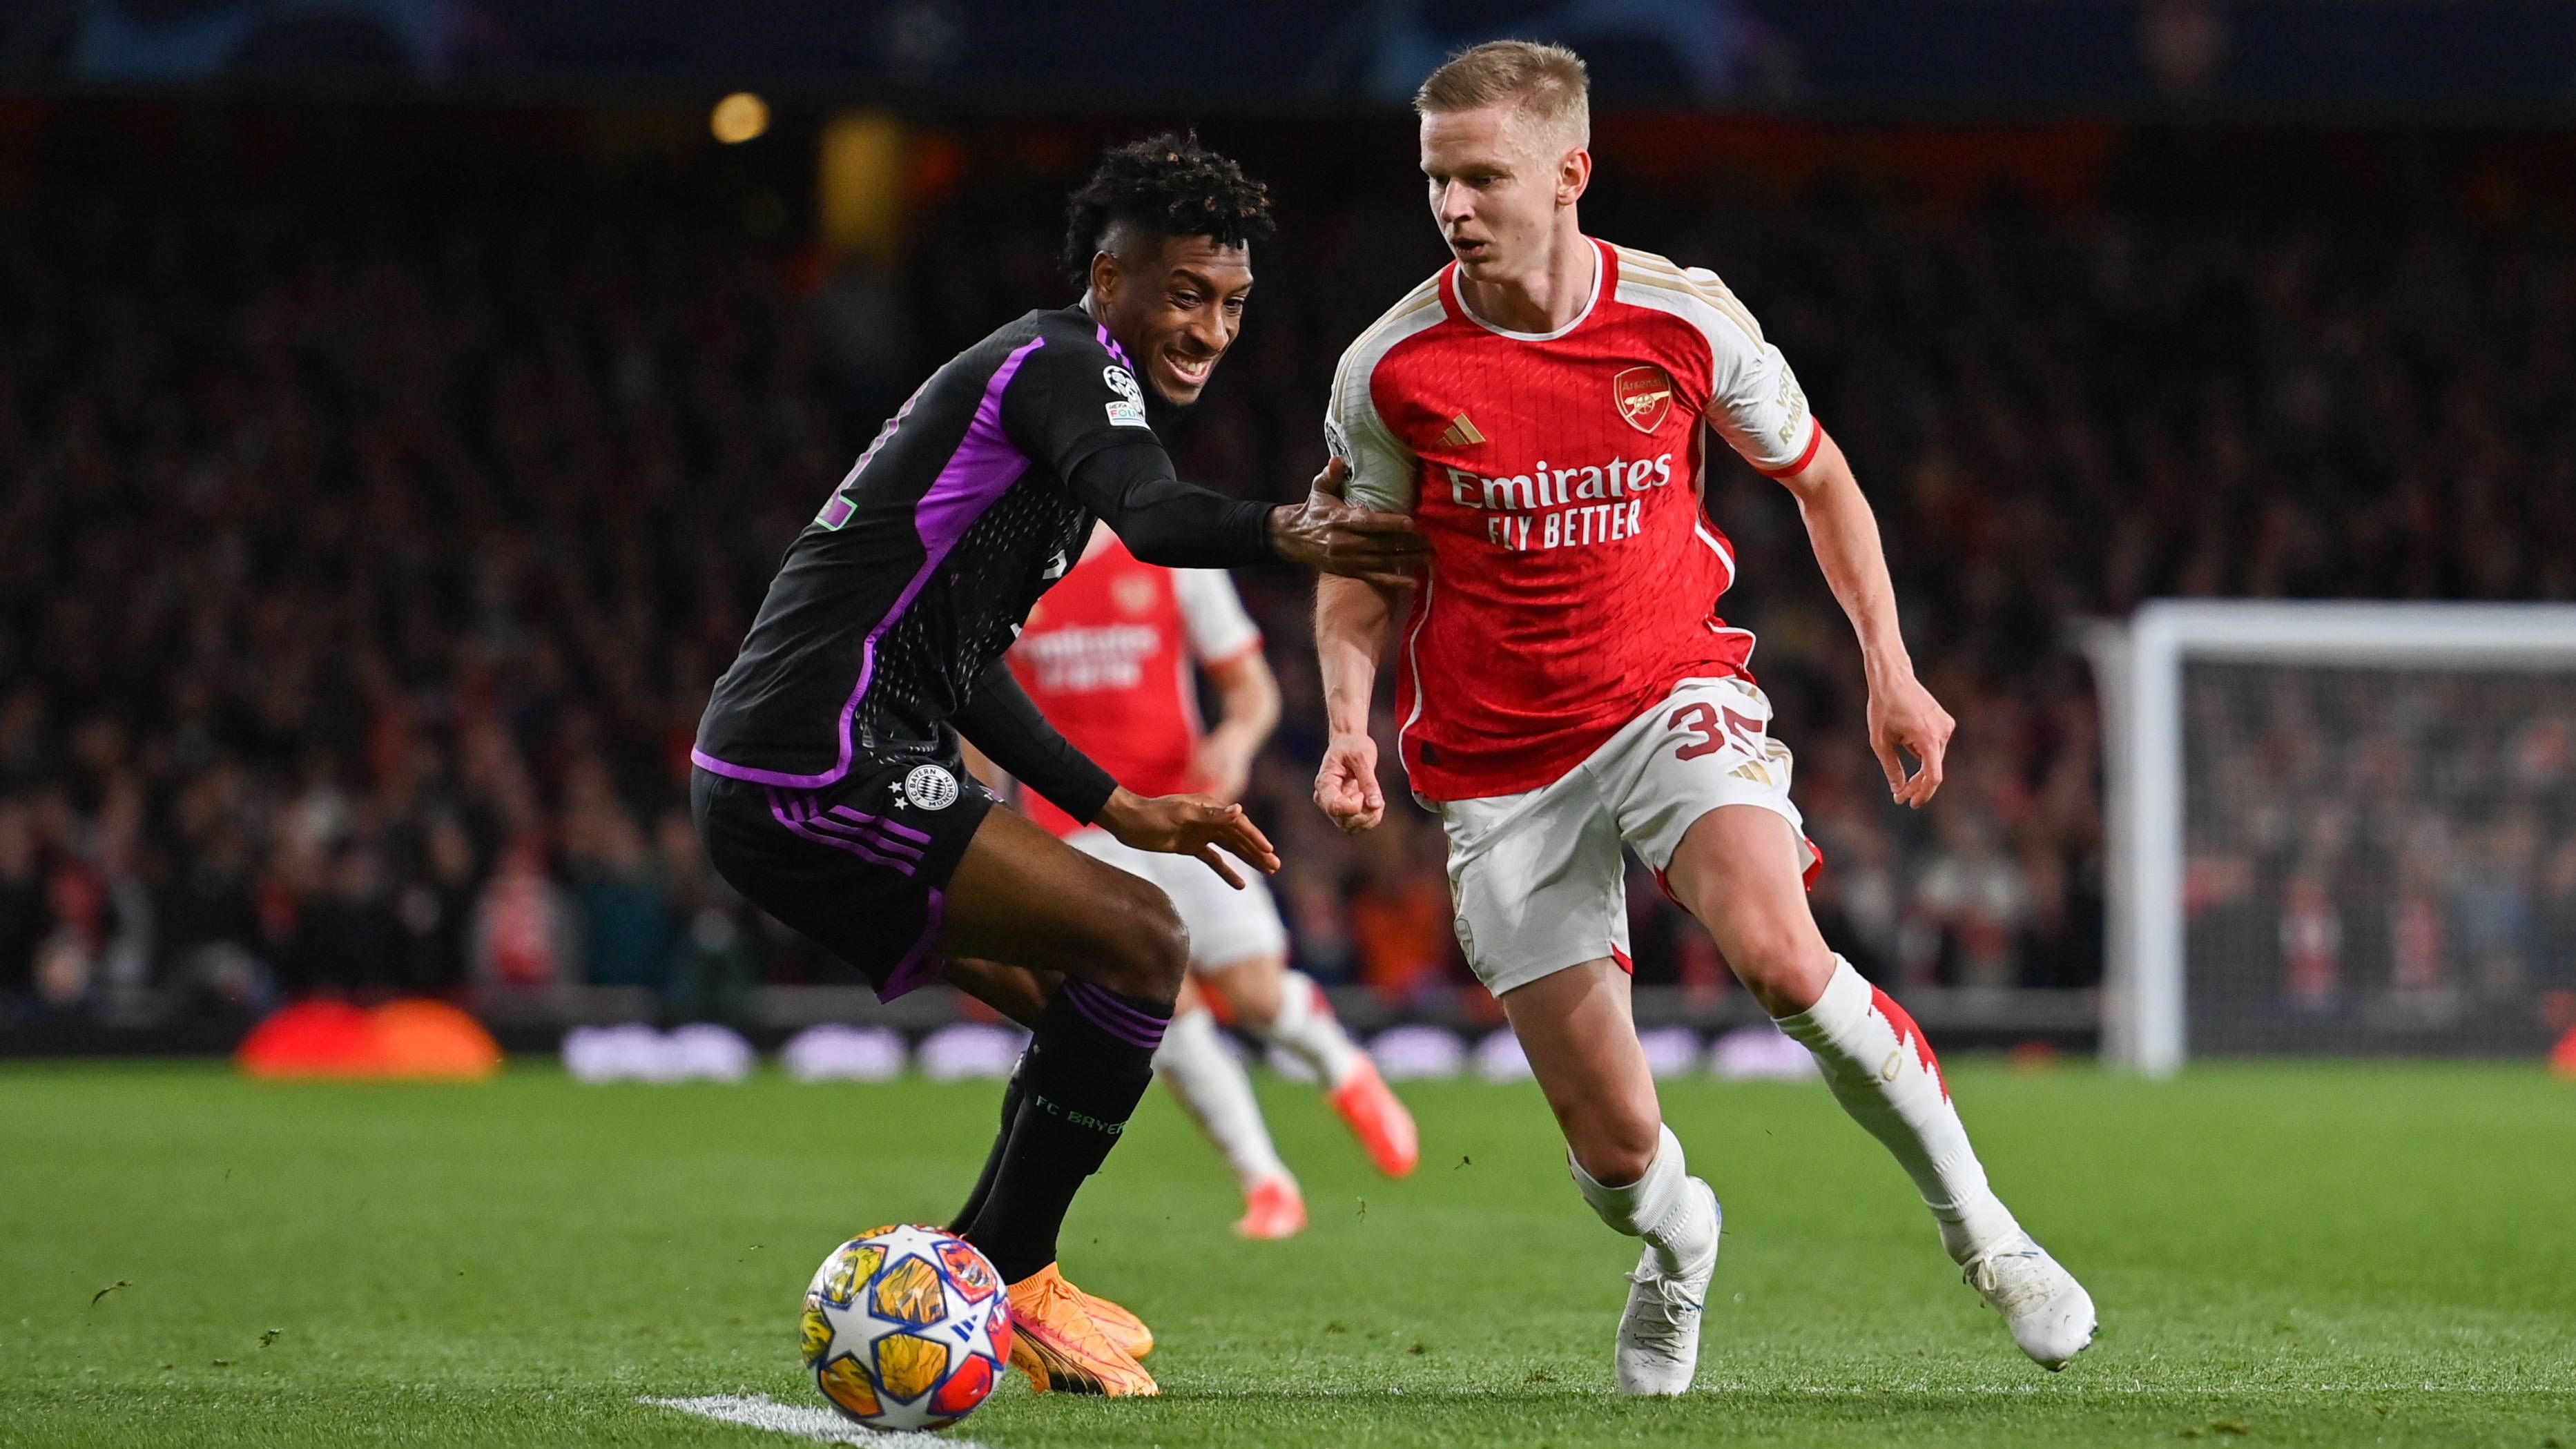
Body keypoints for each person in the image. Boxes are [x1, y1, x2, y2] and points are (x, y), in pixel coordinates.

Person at [1311, 42, 2095, 1395]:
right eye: (1436, 177)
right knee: (1613, 1151)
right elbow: (1355, 569)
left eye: (1480, 176)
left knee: (1784, 960)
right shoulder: (1390, 367)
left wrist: (1889, 669)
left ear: (1570, 172)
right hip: (1499, 766)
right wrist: (1343, 722)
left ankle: (1987, 1232)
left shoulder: (1680, 318)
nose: (1451, 205)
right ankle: (1676, 1243)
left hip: (1669, 691)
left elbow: (1822, 478)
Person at [693, 133, 1423, 1399]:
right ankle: (1012, 1270)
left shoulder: (1051, 395)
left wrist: (1114, 801)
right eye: (1184, 293)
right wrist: (1295, 529)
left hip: (828, 751)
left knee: (1082, 1000)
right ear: (1108, 282)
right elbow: (1154, 511)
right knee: (1144, 944)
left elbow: (963, 657)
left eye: (1233, 302)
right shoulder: (1064, 365)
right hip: (816, 757)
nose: (1208, 328)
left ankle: (976, 1280)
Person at [1001, 521, 1420, 1240]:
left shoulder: (1165, 552)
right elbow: (984, 720)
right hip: (1073, 830)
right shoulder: (1009, 563)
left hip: (1181, 810)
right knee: (1161, 1005)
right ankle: (1265, 1182)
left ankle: (1342, 1067)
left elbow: (1249, 686)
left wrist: (1235, 739)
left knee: (1256, 992)